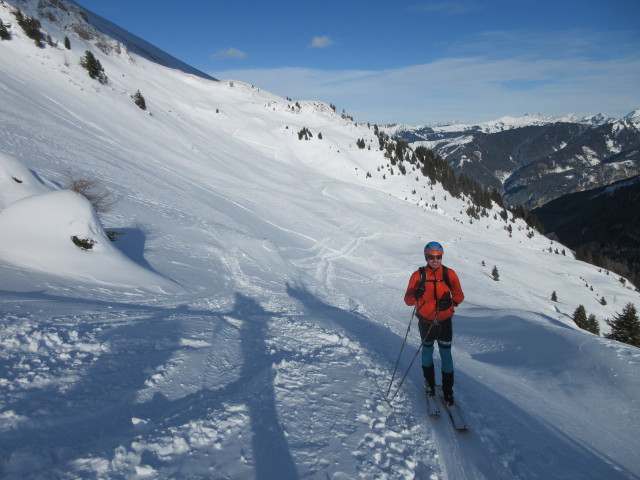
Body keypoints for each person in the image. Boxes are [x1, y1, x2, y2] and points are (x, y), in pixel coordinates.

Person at [404, 241, 464, 405]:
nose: (435, 260)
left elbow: (459, 295)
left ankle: (448, 391)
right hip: (425, 321)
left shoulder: (449, 274)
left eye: (438, 256)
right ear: (426, 257)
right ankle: (430, 385)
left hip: (444, 322)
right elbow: (408, 300)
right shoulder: (418, 276)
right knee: (427, 353)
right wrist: (416, 294)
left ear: (441, 257)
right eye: (431, 257)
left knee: (446, 356)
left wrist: (451, 302)